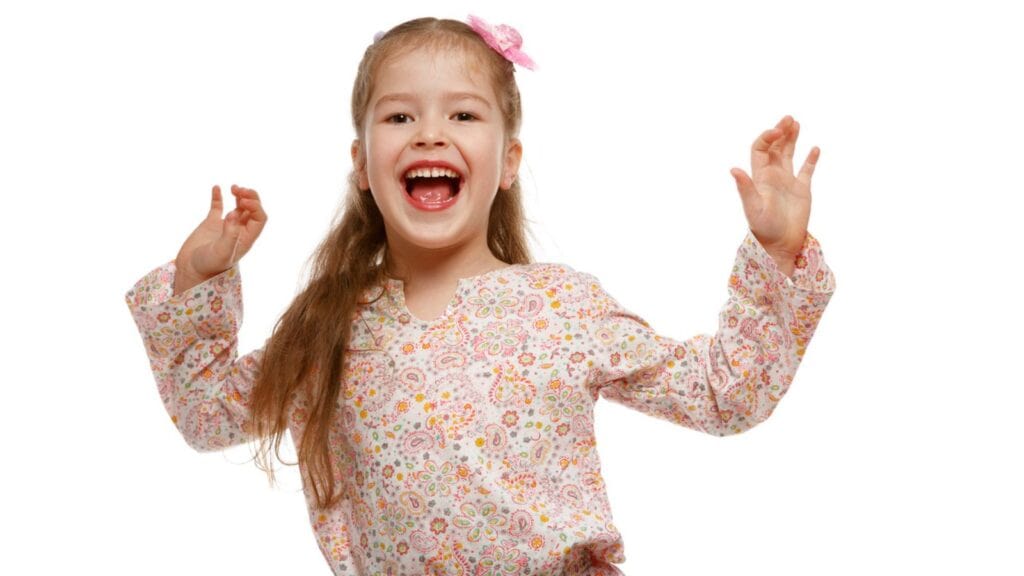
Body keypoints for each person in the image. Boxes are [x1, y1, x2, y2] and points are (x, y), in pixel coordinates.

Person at [125, 15, 835, 575]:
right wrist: (200, 277)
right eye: (399, 117)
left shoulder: (563, 308)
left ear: (508, 161)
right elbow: (205, 415)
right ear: (363, 165)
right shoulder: (333, 326)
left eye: (463, 116)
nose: (430, 131)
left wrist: (778, 255)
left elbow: (723, 394)